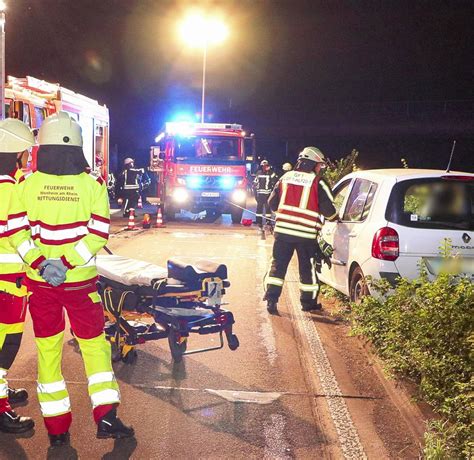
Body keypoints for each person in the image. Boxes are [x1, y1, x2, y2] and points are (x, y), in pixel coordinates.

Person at [16, 112, 133, 446]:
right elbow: (98, 233)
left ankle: (56, 431)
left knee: (48, 350)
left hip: (41, 286)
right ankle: (107, 417)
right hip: (80, 284)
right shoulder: (92, 184)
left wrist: (43, 264)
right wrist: (67, 264)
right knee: (94, 347)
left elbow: (16, 232)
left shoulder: (27, 184)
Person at [0, 119, 44, 433]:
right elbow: (19, 235)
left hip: (7, 280)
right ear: (16, 153)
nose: (28, 159)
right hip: (7, 281)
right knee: (6, 344)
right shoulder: (8, 189)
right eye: (26, 153)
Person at [264, 146, 338, 314]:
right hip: (306, 236)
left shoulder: (285, 177)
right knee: (307, 269)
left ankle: (271, 300)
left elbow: (272, 204)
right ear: (313, 164)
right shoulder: (317, 182)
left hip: (282, 233)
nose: (320, 168)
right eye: (319, 165)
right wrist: (335, 219)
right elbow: (329, 211)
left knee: (277, 265)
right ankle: (308, 303)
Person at [253, 160, 278, 227]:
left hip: (263, 194)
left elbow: (255, 183)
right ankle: (264, 221)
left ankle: (262, 221)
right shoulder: (270, 173)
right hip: (265, 194)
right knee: (262, 208)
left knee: (264, 208)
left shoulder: (260, 173)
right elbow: (276, 181)